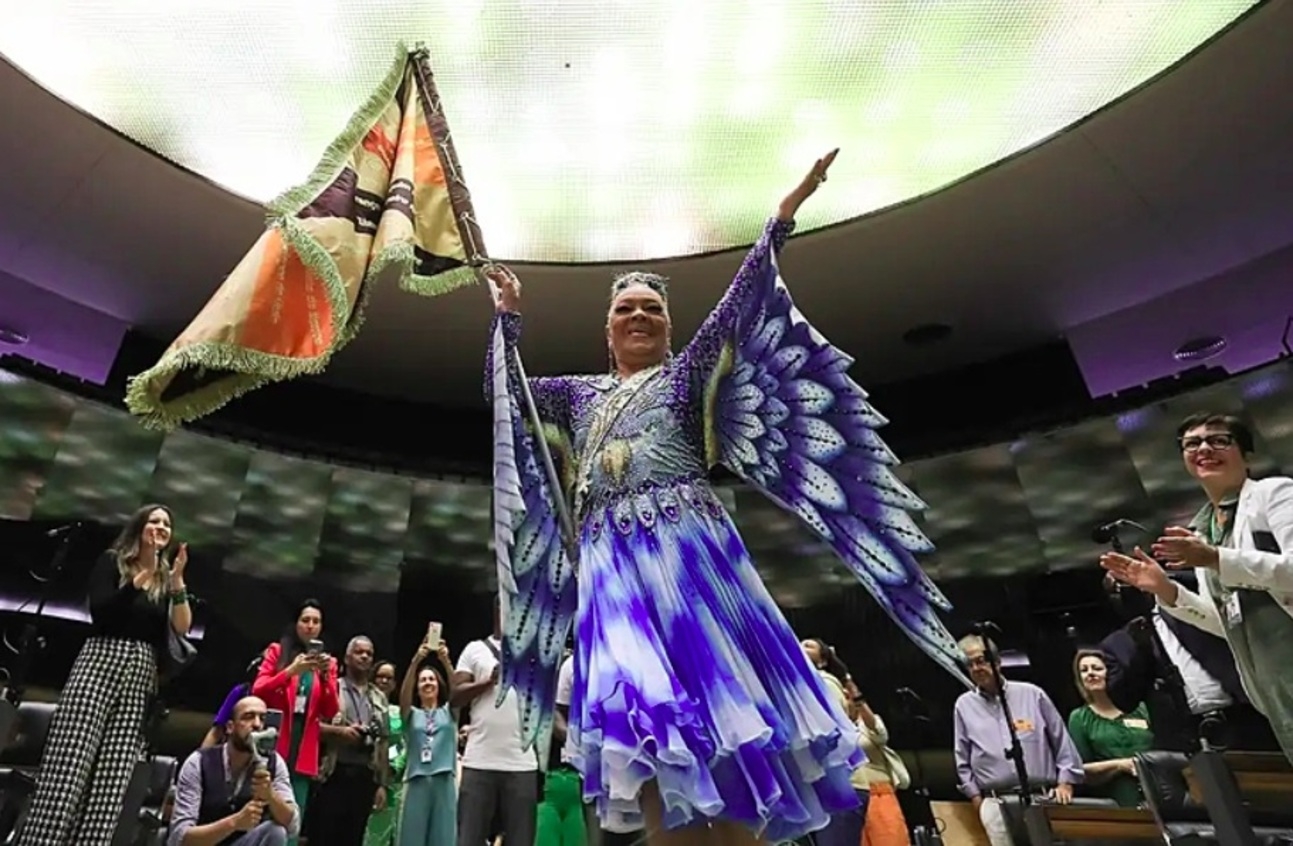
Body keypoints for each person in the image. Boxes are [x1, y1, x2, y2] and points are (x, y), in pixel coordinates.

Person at [486, 151, 966, 845]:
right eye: (626, 308)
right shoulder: (573, 396)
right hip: (611, 569)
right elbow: (506, 399)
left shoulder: (684, 382)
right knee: (641, 720)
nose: (640, 316)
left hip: (691, 563)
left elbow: (739, 304)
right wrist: (508, 321)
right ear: (607, 329)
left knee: (721, 721)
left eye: (653, 308)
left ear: (670, 329)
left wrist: (780, 218)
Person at [1101, 412, 1293, 763]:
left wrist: (1216, 558)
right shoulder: (1203, 531)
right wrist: (1166, 590)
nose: (1204, 448)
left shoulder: (1275, 494)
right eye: (1192, 444)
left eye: (1219, 440)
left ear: (1246, 453)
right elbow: (1225, 623)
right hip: (1273, 694)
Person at [18, 503, 192, 846]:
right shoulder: (113, 562)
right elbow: (103, 613)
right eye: (154, 521)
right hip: (101, 661)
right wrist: (138, 581)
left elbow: (181, 628)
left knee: (110, 784)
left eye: (167, 524)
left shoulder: (165, 576)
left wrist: (177, 582)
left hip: (141, 673)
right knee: (68, 770)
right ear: (139, 528)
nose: (161, 528)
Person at [953, 635, 1083, 846]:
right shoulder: (963, 705)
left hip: (1043, 797)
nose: (976, 668)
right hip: (995, 802)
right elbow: (962, 757)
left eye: (981, 660)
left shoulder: (1032, 694)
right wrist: (976, 797)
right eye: (970, 664)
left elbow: (1062, 742)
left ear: (997, 662)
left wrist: (1066, 783)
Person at [253, 599, 340, 843]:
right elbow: (258, 690)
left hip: (304, 747)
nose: (310, 626)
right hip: (275, 739)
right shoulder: (277, 652)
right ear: (296, 624)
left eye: (316, 621)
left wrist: (324, 678)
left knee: (293, 816)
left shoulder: (329, 664)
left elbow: (331, 709)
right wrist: (291, 671)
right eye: (305, 620)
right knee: (261, 811)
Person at [168, 695, 299, 845]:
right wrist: (235, 822)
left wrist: (270, 795)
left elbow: (293, 825)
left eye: (262, 719)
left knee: (275, 832)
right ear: (230, 727)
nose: (257, 725)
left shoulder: (274, 762)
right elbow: (179, 837)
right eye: (248, 717)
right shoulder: (199, 762)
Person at [1065, 649, 1152, 808]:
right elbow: (1079, 770)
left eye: (1097, 668)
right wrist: (1120, 765)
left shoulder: (1141, 708)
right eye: (1084, 671)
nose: (1090, 674)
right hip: (1115, 803)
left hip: (1158, 792)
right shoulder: (1079, 718)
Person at [395, 635, 457, 846]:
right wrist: (416, 662)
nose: (428, 683)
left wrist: (446, 661)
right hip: (417, 779)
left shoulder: (449, 712)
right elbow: (403, 695)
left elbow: (458, 691)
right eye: (423, 680)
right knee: (411, 838)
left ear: (439, 685)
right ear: (417, 687)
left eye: (431, 679)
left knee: (443, 838)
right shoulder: (411, 714)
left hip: (444, 779)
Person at [364, 662, 404, 846]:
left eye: (389, 678)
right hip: (365, 774)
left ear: (395, 684)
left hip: (393, 781)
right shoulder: (364, 706)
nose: (384, 681)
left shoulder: (399, 713)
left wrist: (390, 761)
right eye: (380, 676)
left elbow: (403, 745)